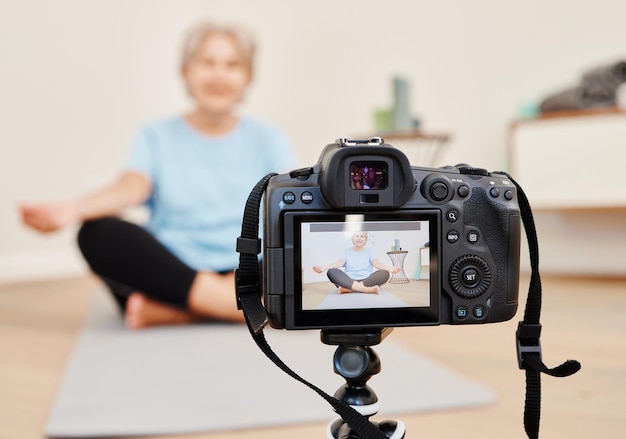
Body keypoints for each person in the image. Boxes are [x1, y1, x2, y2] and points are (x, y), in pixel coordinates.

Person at [19, 21, 296, 329]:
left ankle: (181, 309)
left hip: (249, 268)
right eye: (207, 63)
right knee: (96, 233)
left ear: (248, 77)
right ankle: (242, 306)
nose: (219, 75)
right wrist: (73, 210)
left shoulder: (269, 138)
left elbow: (287, 205)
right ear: (185, 72)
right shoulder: (155, 135)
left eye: (232, 65)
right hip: (173, 268)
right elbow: (131, 187)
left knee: (298, 249)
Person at [312, 232, 400, 294]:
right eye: (356, 236)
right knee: (331, 272)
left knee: (384, 273)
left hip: (366, 280)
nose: (359, 238)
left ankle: (349, 290)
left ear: (365, 240)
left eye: (362, 236)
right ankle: (367, 290)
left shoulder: (369, 251)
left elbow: (376, 263)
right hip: (348, 280)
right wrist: (325, 267)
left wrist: (390, 269)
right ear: (352, 239)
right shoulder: (346, 251)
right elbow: (339, 263)